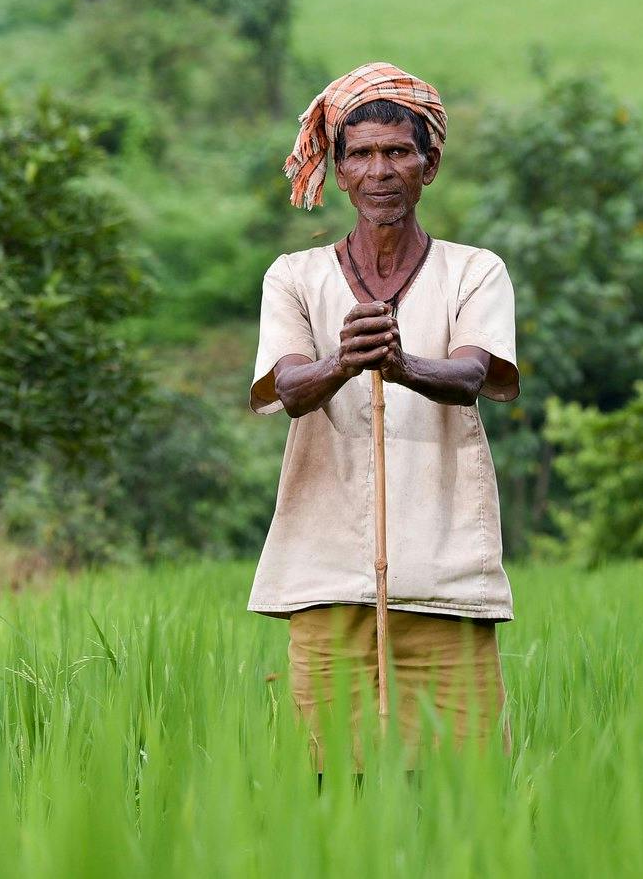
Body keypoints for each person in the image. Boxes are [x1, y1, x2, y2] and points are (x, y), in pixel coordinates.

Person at [249, 61, 519, 763]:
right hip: (324, 575)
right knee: (329, 784)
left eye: (398, 152)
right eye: (362, 153)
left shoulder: (473, 271)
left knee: (468, 785)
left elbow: (473, 373)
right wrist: (343, 362)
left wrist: (402, 365)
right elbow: (286, 387)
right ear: (339, 171)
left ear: (428, 165)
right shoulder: (295, 277)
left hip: (445, 579)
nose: (380, 170)